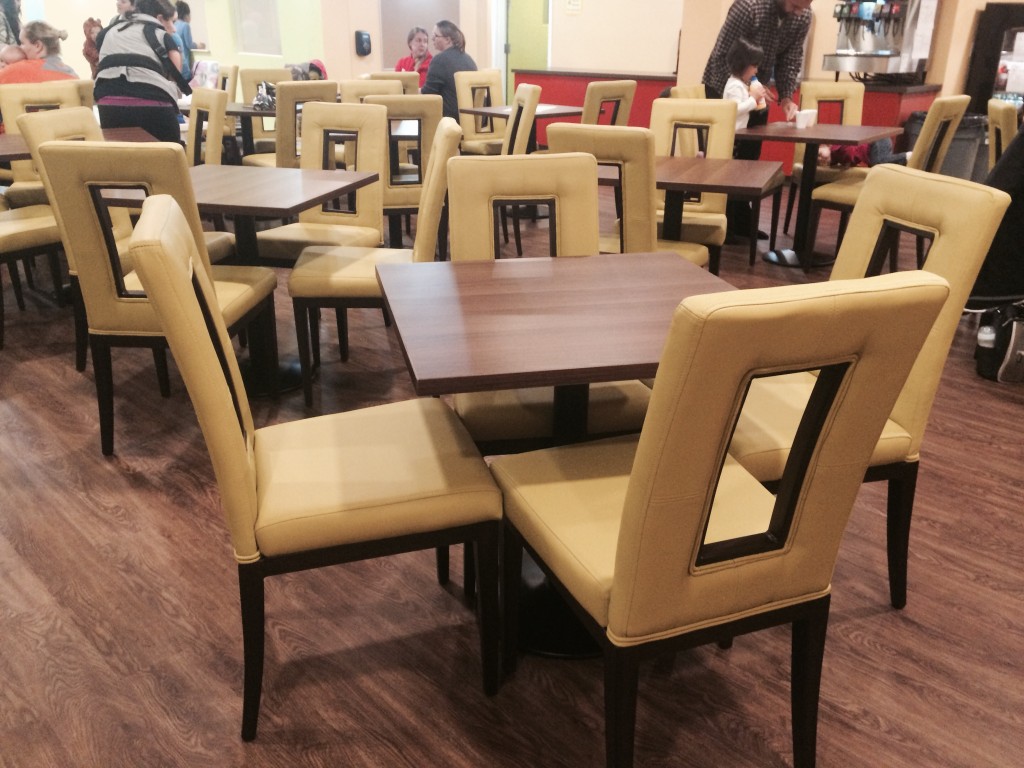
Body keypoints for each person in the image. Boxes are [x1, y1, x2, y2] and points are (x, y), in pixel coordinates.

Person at [703, 0, 814, 238]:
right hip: (724, 87)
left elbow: (791, 59)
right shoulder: (749, 7)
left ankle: (741, 217)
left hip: (755, 88)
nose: (799, 12)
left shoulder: (803, 16)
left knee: (749, 158)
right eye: (795, 5)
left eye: (804, 7)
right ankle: (719, 220)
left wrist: (786, 96)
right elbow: (723, 56)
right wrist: (744, 89)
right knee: (726, 160)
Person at [94, 0, 189, 143]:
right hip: (153, 103)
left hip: (107, 102)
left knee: (124, 151)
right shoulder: (161, 35)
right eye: (171, 21)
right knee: (172, 151)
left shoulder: (107, 32)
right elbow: (175, 77)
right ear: (159, 18)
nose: (174, 29)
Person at [421, 20, 476, 121]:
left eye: (435, 36)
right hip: (471, 119)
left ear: (447, 39)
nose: (432, 39)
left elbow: (427, 95)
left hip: (449, 121)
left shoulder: (439, 60)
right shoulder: (469, 59)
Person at [0, 21, 77, 85]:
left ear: (38, 46)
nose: (19, 47)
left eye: (22, 43)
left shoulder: (18, 70)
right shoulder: (72, 74)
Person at [722, 37, 767, 130]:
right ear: (742, 64)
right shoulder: (735, 85)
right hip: (732, 134)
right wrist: (753, 99)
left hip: (739, 132)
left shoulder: (741, 84)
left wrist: (757, 99)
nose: (756, 71)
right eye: (754, 66)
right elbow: (735, 109)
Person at [173, 2, 204, 80]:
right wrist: (199, 46)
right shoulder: (185, 25)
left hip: (176, 65)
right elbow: (189, 45)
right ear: (186, 15)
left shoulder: (173, 25)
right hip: (185, 65)